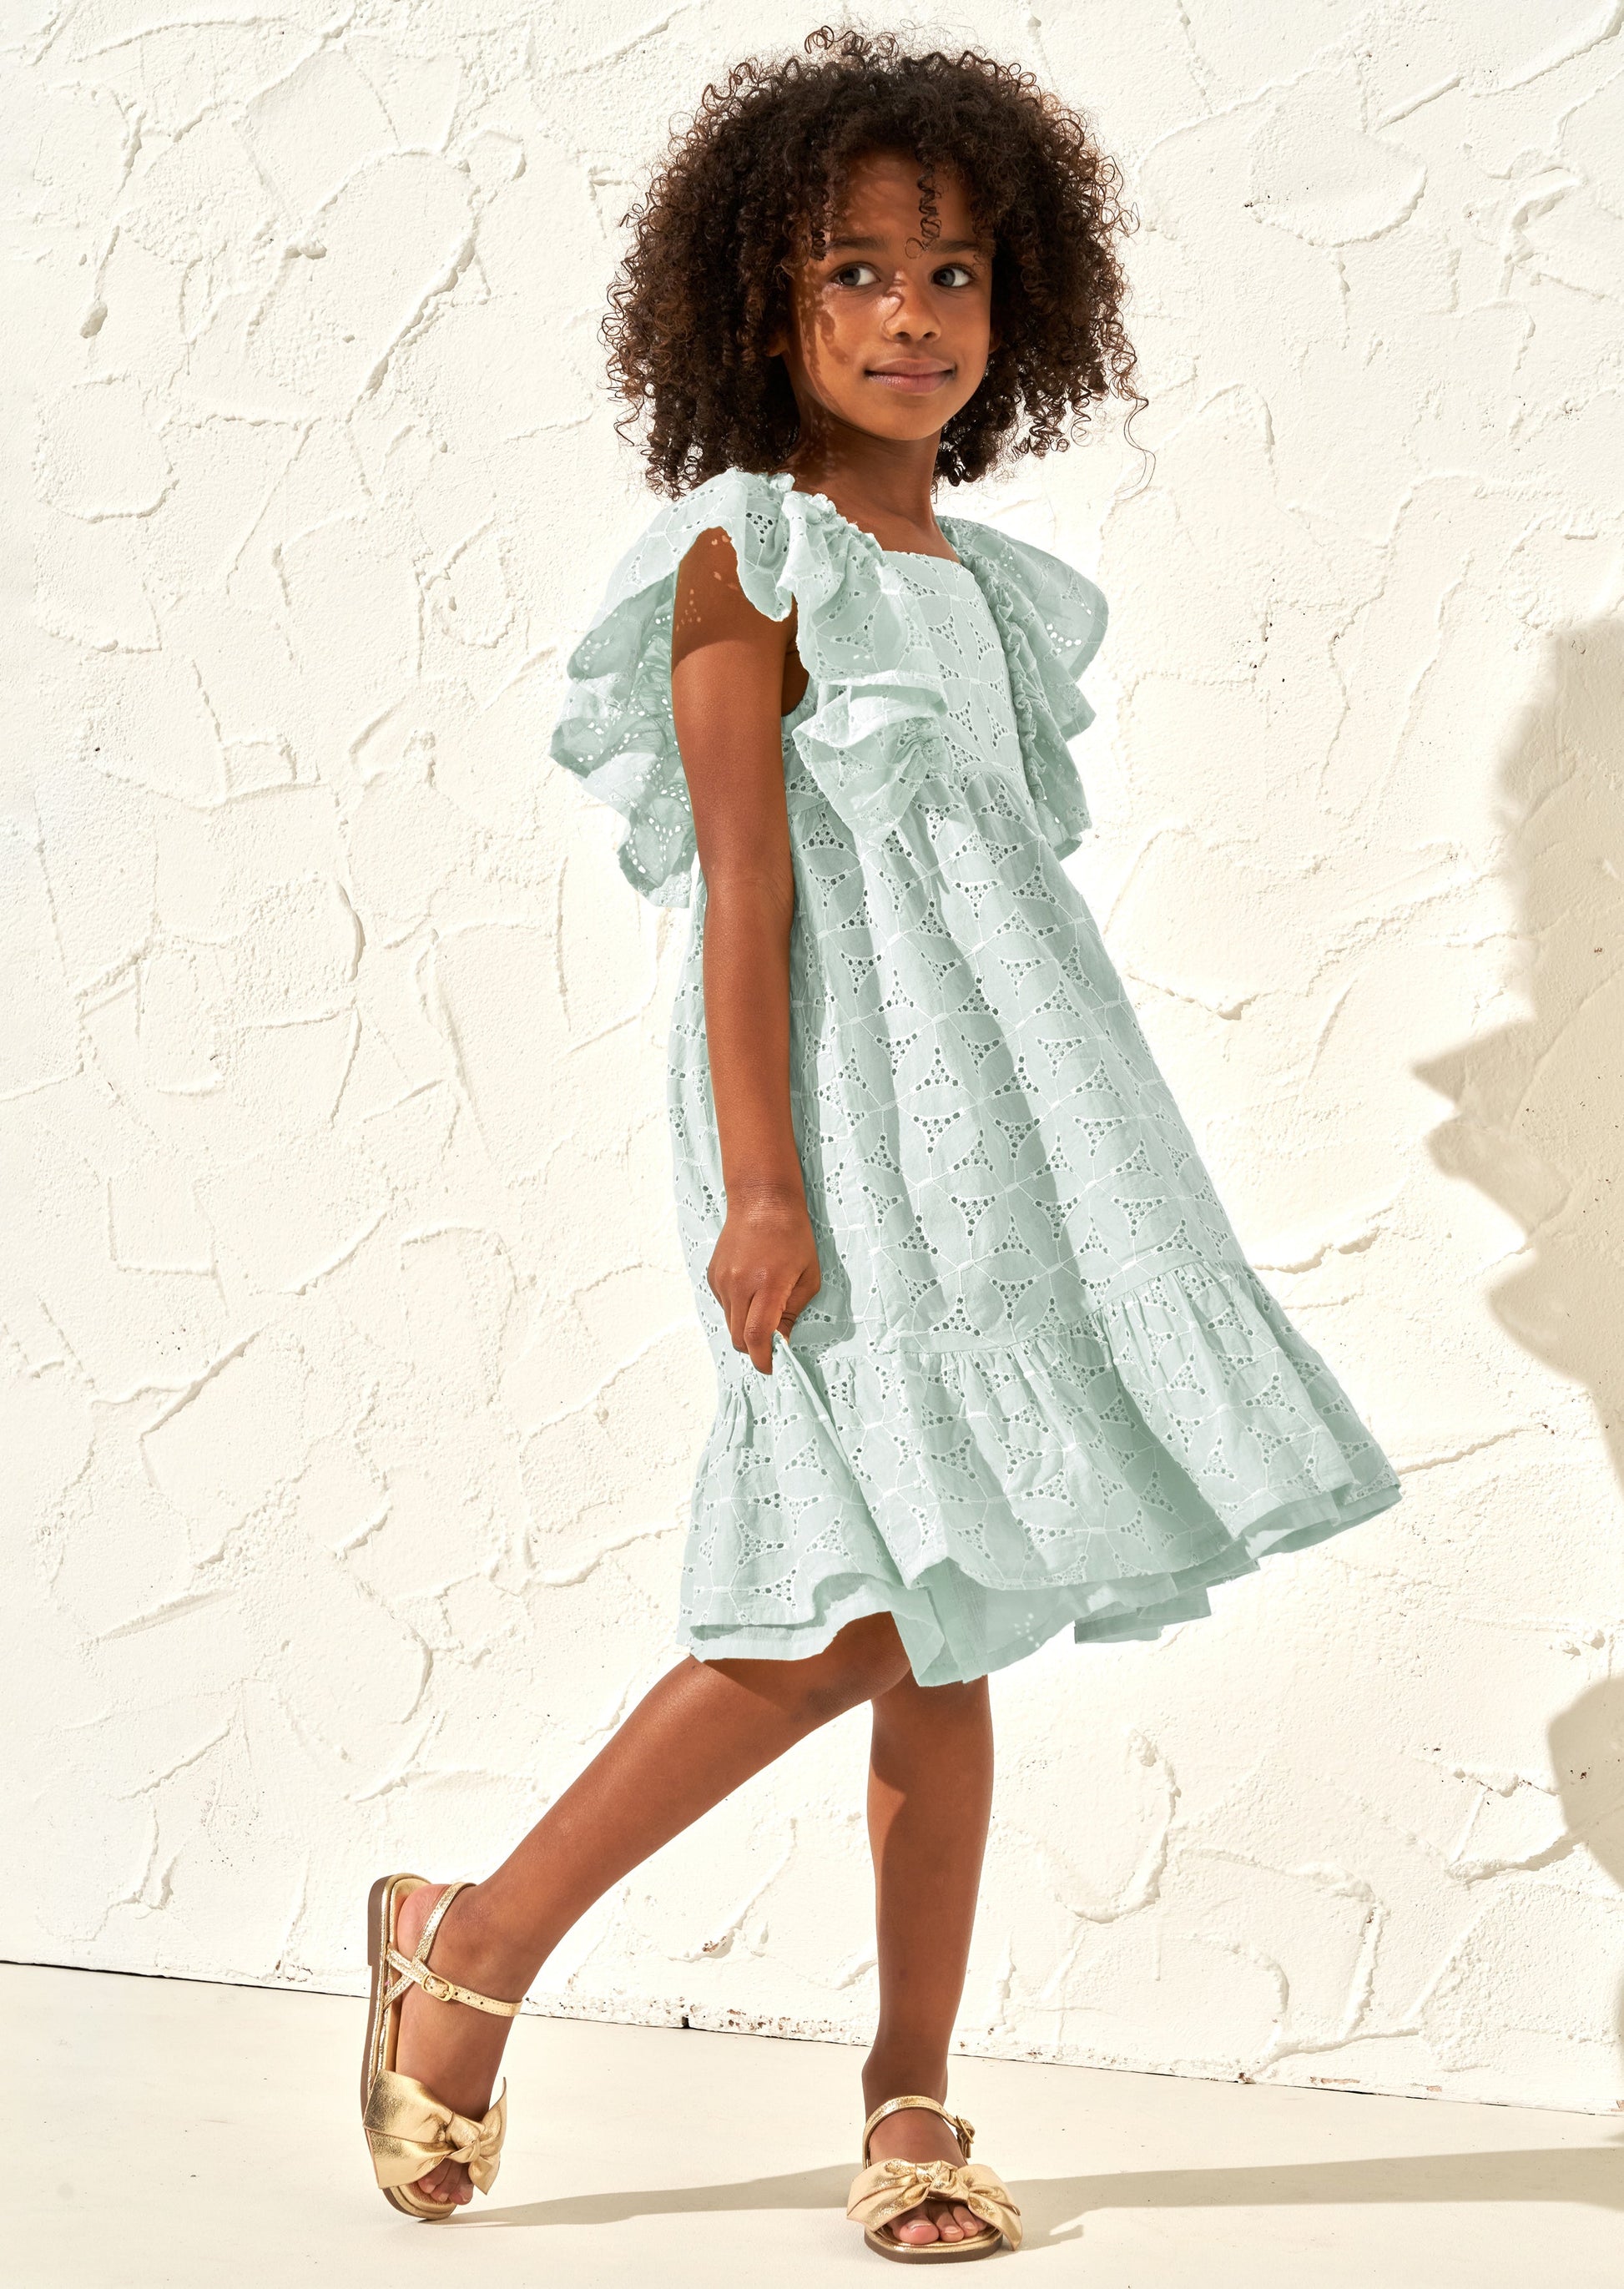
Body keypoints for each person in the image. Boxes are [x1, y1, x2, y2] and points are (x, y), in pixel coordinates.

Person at [359, 27, 1403, 2261]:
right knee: (851, 1599)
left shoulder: (993, 588)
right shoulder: (747, 554)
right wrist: (765, 1184)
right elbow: (745, 890)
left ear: (1019, 307)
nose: (909, 315)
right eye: (853, 270)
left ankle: (909, 2088)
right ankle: (477, 1937)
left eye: (952, 275)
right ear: (762, 300)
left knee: (954, 1610)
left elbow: (1001, 898)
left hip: (1026, 1119)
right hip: (832, 1116)